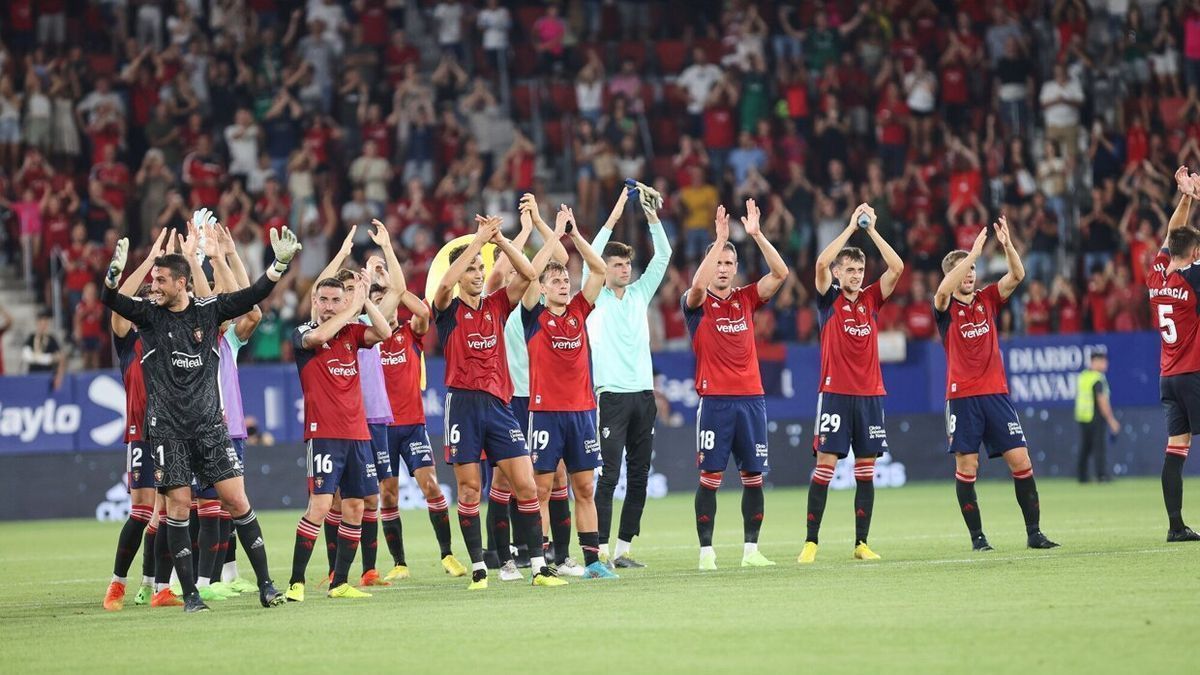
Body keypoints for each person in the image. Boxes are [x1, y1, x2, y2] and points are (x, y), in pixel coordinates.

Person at [100, 219, 301, 612]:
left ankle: (266, 584)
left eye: (160, 280)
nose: (154, 287)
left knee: (237, 502)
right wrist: (112, 279)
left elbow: (250, 297)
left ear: (182, 283)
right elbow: (113, 303)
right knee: (176, 510)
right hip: (168, 433)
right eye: (152, 280)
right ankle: (189, 594)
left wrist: (276, 268)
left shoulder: (208, 313)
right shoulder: (150, 317)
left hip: (210, 428)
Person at [432, 214, 566, 589]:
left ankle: (539, 567)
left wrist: (501, 242)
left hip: (499, 406)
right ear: (460, 274)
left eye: (480, 268)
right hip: (462, 405)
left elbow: (527, 275)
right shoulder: (448, 310)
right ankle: (478, 567)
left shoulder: (496, 305)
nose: (477, 274)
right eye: (470, 269)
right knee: (471, 490)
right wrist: (476, 241)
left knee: (526, 485)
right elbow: (443, 284)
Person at [934, 216, 1060, 551]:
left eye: (973, 269)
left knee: (1021, 460)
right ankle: (978, 538)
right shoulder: (944, 308)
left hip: (996, 395)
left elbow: (1018, 275)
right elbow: (944, 289)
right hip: (962, 398)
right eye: (965, 269)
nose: (971, 274)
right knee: (967, 466)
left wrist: (1006, 245)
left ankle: (1034, 533)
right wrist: (974, 252)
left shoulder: (987, 298)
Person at [683, 199, 789, 571]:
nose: (723, 269)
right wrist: (719, 240)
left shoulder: (746, 299)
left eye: (728, 263)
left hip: (752, 401)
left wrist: (757, 235)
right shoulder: (695, 304)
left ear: (736, 268)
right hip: (715, 402)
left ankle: (751, 550)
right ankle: (706, 553)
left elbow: (780, 273)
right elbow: (696, 285)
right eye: (718, 263)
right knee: (710, 478)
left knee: (753, 477)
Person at [801, 203, 903, 564]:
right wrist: (848, 228)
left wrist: (872, 231)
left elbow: (897, 268)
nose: (857, 275)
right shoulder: (828, 300)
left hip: (870, 395)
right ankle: (811, 542)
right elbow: (818, 265)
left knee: (865, 471)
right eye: (850, 269)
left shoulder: (872, 299)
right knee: (826, 466)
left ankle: (861, 543)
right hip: (834, 395)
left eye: (860, 269)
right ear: (838, 272)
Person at [522, 205, 618, 580]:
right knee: (541, 490)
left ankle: (592, 560)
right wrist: (551, 235)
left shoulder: (580, 309)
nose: (564, 284)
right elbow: (530, 273)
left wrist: (574, 235)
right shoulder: (533, 315)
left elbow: (599, 270)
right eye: (556, 280)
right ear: (543, 288)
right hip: (545, 413)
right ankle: (541, 561)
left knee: (584, 487)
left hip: (581, 412)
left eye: (566, 279)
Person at [285, 266, 392, 602]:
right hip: (324, 434)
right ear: (315, 302)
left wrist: (365, 301)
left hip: (358, 433)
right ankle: (296, 582)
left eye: (336, 300)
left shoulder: (351, 333)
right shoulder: (303, 333)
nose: (330, 306)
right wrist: (351, 308)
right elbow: (318, 338)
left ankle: (340, 583)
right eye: (325, 300)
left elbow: (385, 333)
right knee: (318, 507)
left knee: (356, 507)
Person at [371, 220, 468, 582]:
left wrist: (388, 266)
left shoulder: (409, 333)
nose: (387, 307)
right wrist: (375, 289)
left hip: (412, 426)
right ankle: (399, 563)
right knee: (389, 495)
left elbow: (425, 312)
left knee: (430, 487)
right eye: (379, 303)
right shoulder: (367, 338)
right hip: (381, 428)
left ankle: (448, 555)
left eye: (390, 302)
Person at [482, 194, 572, 581]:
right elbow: (511, 272)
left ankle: (551, 554)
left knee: (547, 477)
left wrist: (540, 224)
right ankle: (501, 558)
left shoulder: (533, 300)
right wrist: (524, 231)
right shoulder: (500, 299)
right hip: (507, 396)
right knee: (503, 480)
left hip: (535, 398)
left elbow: (557, 264)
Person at [587, 184, 673, 568]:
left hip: (643, 395)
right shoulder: (593, 300)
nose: (624, 269)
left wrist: (652, 217)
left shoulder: (639, 294)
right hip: (611, 397)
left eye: (627, 265)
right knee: (608, 475)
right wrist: (615, 217)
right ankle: (599, 549)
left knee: (638, 475)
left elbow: (665, 255)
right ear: (604, 269)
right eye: (617, 264)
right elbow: (589, 254)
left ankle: (623, 550)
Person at [102, 228, 168, 611]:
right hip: (141, 431)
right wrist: (148, 262)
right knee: (143, 510)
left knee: (170, 511)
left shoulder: (168, 331)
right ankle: (117, 585)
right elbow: (119, 300)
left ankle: (156, 585)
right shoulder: (129, 339)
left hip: (172, 429)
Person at [1146, 168, 1200, 542]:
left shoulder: (1157, 275)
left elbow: (1172, 234)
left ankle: (1176, 526)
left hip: (1168, 376)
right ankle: (1177, 526)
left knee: (1177, 447)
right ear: (1195, 254)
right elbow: (1175, 237)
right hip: (1194, 371)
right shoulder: (1194, 278)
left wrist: (1188, 198)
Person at [1075, 350, 1120, 483]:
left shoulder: (1084, 376)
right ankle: (1101, 474)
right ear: (1095, 362)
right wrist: (1111, 420)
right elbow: (1102, 401)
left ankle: (1082, 475)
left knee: (1086, 447)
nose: (1106, 364)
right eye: (1103, 361)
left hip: (1083, 417)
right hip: (1095, 416)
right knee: (1099, 446)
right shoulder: (1097, 379)